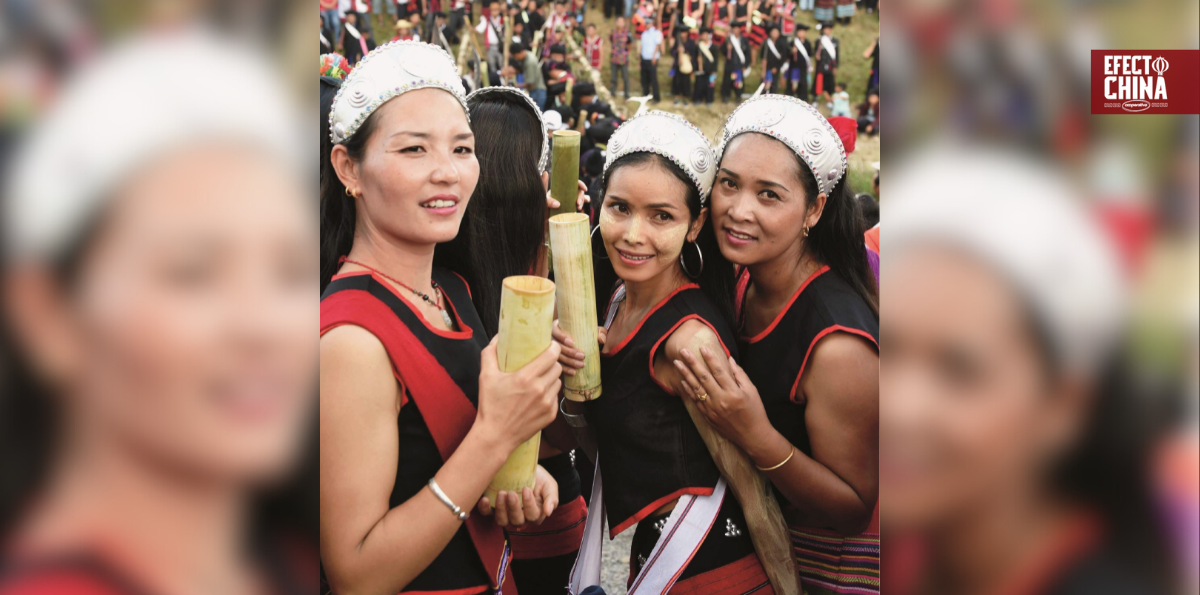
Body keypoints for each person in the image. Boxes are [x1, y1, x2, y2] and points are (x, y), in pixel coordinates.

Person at [0, 32, 314, 595]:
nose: (262, 325)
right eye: (192, 273)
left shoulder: (287, 558)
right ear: (48, 315)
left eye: (290, 273)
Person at [321, 41, 564, 595]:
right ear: (348, 168)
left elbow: (441, 459)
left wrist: (515, 476)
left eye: (462, 148)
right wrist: (496, 436)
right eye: (413, 150)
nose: (447, 173)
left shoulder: (449, 290)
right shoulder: (351, 339)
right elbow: (356, 572)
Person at [882, 146, 1174, 595]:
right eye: (889, 352)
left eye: (959, 371)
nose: (900, 407)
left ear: (1065, 405)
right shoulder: (910, 552)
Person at [556, 112, 775, 593]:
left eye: (661, 216)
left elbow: (745, 473)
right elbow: (615, 443)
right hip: (658, 554)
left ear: (695, 224)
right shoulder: (615, 301)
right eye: (619, 208)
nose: (634, 234)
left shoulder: (690, 341)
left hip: (707, 567)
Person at [675, 95, 880, 595]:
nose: (737, 210)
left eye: (769, 195)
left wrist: (753, 432)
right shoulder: (745, 281)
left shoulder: (838, 346)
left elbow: (853, 507)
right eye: (728, 184)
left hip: (829, 570)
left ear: (814, 209)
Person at [442, 86, 590, 595]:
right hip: (531, 504)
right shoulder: (535, 268)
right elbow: (572, 426)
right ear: (536, 183)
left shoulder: (435, 274)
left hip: (452, 522)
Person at [506, 42, 548, 109]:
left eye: (515, 56)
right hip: (536, 91)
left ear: (518, 53)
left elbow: (531, 84)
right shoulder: (528, 55)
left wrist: (516, 85)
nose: (515, 59)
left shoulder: (529, 62)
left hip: (537, 92)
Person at [476, 0, 506, 73]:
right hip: (490, 47)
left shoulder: (503, 20)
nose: (495, 12)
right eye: (493, 10)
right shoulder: (487, 20)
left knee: (502, 63)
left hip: (500, 46)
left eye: (496, 10)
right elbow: (479, 29)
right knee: (492, 64)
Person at [639, 18, 664, 103]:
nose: (647, 25)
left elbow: (658, 45)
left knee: (653, 79)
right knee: (644, 79)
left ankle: (656, 98)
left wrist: (654, 56)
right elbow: (643, 47)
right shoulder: (644, 34)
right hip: (644, 58)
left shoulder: (656, 33)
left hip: (652, 59)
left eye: (648, 23)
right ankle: (646, 95)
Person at [721, 25, 747, 104]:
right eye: (734, 29)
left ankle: (738, 96)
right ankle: (726, 96)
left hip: (739, 65)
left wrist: (745, 65)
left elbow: (747, 53)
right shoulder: (728, 39)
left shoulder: (743, 40)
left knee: (738, 83)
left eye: (737, 28)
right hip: (730, 65)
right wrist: (727, 49)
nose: (736, 30)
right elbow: (722, 50)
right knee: (727, 81)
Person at [812, 22, 838, 104]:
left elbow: (837, 54)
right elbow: (815, 52)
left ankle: (829, 100)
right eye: (825, 29)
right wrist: (816, 56)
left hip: (830, 65)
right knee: (818, 81)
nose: (827, 31)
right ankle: (815, 99)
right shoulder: (819, 40)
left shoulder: (835, 41)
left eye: (829, 29)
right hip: (821, 65)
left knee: (829, 82)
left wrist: (836, 66)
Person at [692, 27, 718, 105]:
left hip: (710, 69)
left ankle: (709, 100)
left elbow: (716, 60)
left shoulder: (713, 47)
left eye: (706, 34)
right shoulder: (699, 46)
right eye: (702, 34)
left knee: (709, 85)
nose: (704, 36)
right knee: (699, 85)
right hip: (700, 69)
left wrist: (714, 70)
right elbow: (695, 56)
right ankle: (698, 99)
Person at [610, 16, 633, 99]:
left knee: (625, 77)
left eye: (621, 21)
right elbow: (611, 41)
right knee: (613, 77)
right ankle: (612, 93)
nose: (620, 23)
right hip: (614, 58)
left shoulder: (627, 33)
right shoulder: (613, 32)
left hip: (623, 58)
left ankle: (626, 95)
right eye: (618, 21)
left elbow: (630, 43)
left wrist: (626, 52)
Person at [671, 29, 696, 106]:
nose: (682, 34)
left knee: (686, 82)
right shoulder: (677, 41)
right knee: (677, 82)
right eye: (681, 32)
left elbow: (693, 54)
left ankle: (685, 98)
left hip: (687, 65)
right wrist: (677, 51)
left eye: (684, 32)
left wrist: (684, 50)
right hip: (678, 65)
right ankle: (676, 97)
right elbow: (672, 52)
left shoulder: (691, 42)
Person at [786, 22, 811, 101]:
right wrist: (792, 52)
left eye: (803, 32)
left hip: (803, 68)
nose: (801, 33)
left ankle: (803, 101)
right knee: (791, 85)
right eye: (800, 31)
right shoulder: (792, 43)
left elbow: (809, 54)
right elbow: (787, 55)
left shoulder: (807, 43)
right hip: (793, 67)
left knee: (803, 85)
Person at [761, 25, 786, 94]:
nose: (774, 33)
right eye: (773, 32)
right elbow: (763, 55)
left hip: (776, 68)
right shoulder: (766, 42)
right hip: (767, 67)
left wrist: (777, 67)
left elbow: (783, 57)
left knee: (773, 85)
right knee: (764, 84)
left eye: (776, 32)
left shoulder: (781, 44)